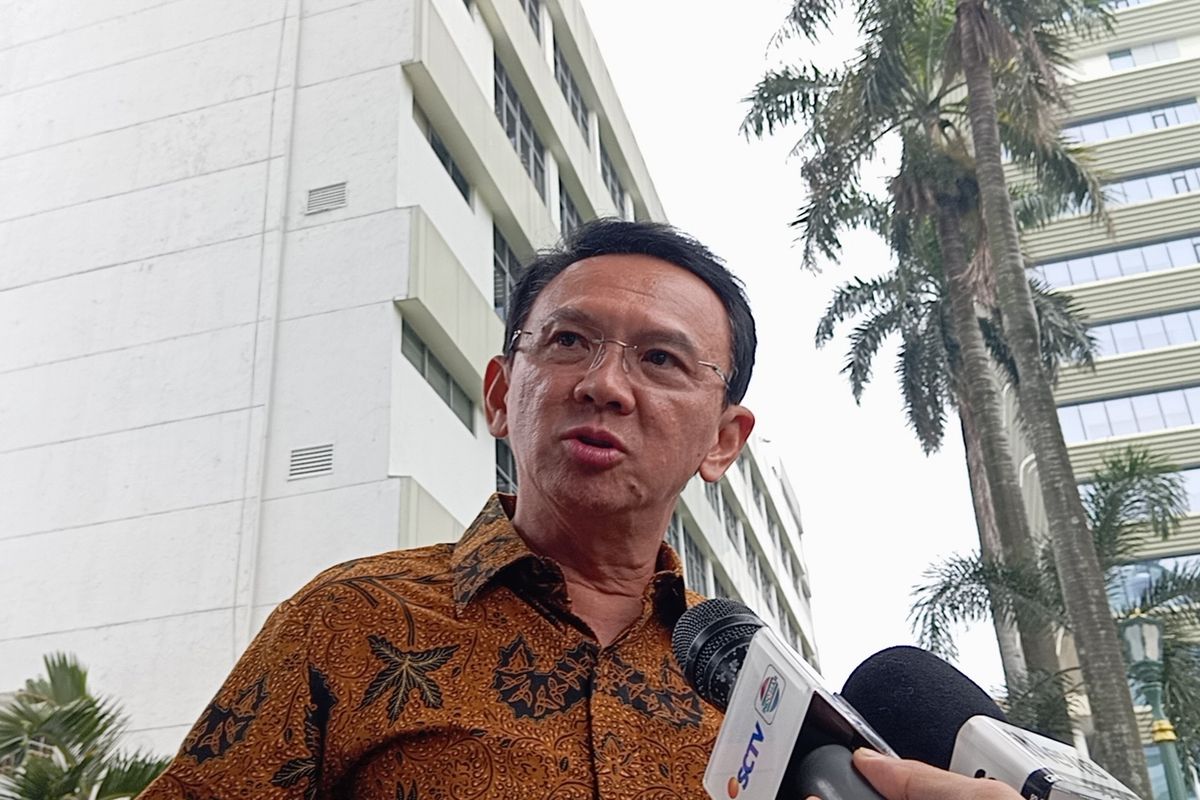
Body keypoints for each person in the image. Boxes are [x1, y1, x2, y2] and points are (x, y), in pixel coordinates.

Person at [138, 219, 1018, 800]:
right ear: (500, 393)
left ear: (723, 440)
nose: (604, 385)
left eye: (662, 360)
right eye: (567, 341)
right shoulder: (348, 621)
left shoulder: (764, 696)